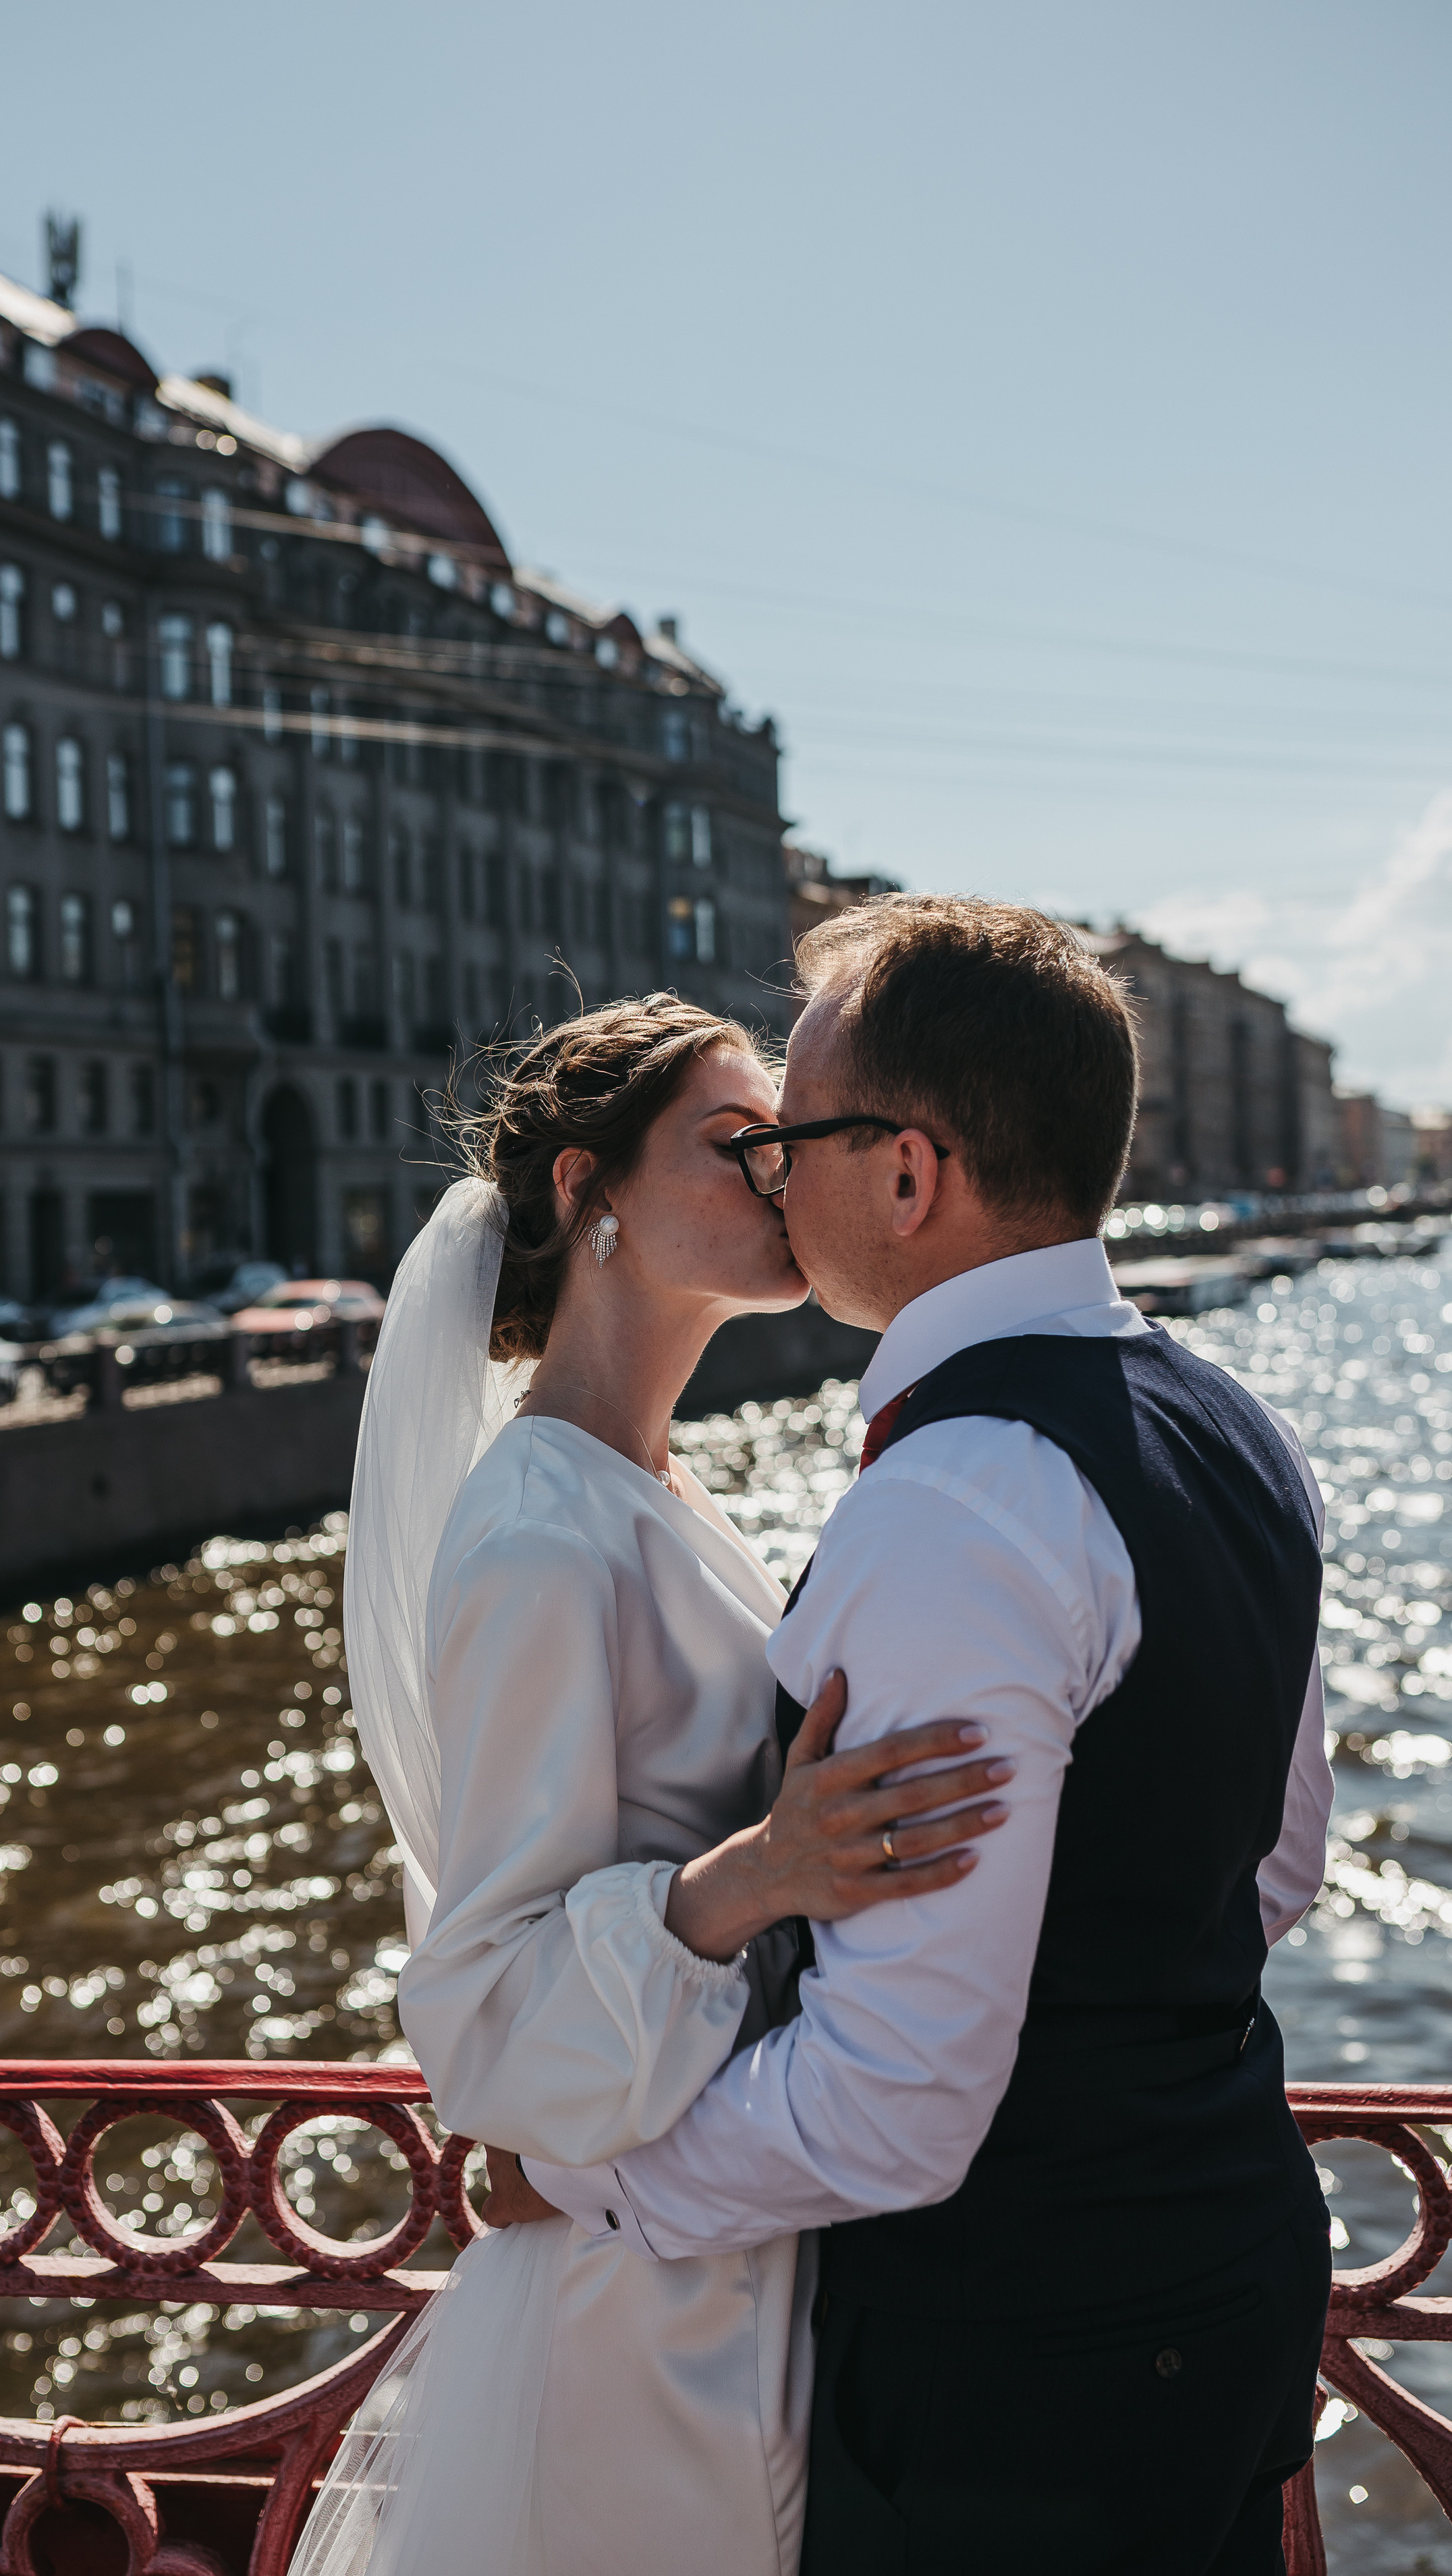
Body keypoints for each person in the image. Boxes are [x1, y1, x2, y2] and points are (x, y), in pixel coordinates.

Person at [506, 899, 1335, 2575]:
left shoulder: (956, 1498)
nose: (770, 1180)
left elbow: (894, 2110)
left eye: (792, 1139)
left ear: (902, 1174)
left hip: (1025, 2380)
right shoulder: (1225, 1419)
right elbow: (1279, 1863)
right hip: (1230, 2275)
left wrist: (589, 2182)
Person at [292, 995, 1007, 2576]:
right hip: (635, 2325)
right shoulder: (543, 1533)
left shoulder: (651, 1488)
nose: (773, 1178)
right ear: (581, 1189)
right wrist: (759, 1873)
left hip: (732, 2246)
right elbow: (480, 2002)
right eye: (727, 1143)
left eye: (780, 1145)